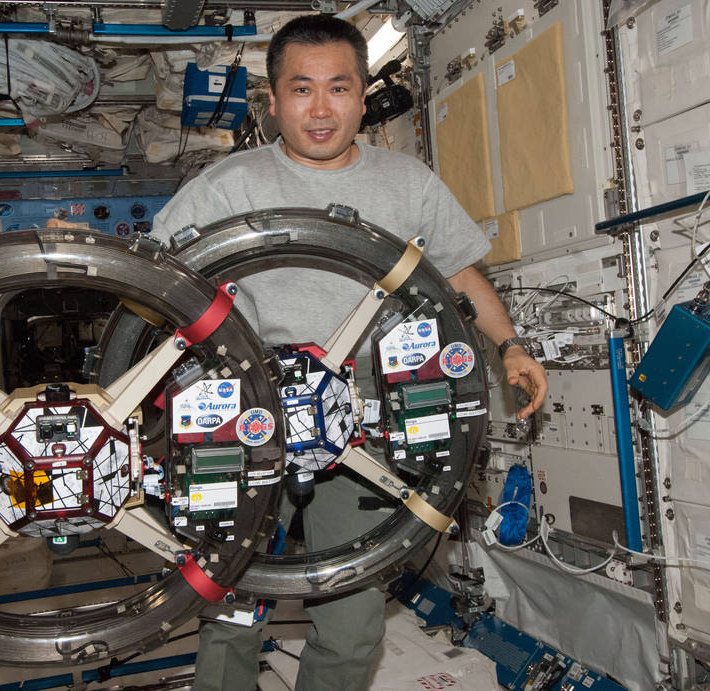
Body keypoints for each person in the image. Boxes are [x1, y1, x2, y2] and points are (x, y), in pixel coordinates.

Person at [152, 14, 548, 691]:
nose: (319, 108)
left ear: (363, 97)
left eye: (338, 88)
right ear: (271, 100)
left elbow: (458, 273)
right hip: (243, 412)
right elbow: (161, 285)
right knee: (231, 602)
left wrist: (509, 345)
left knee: (355, 616)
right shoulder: (226, 186)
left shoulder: (407, 184)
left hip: (362, 419)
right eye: (300, 89)